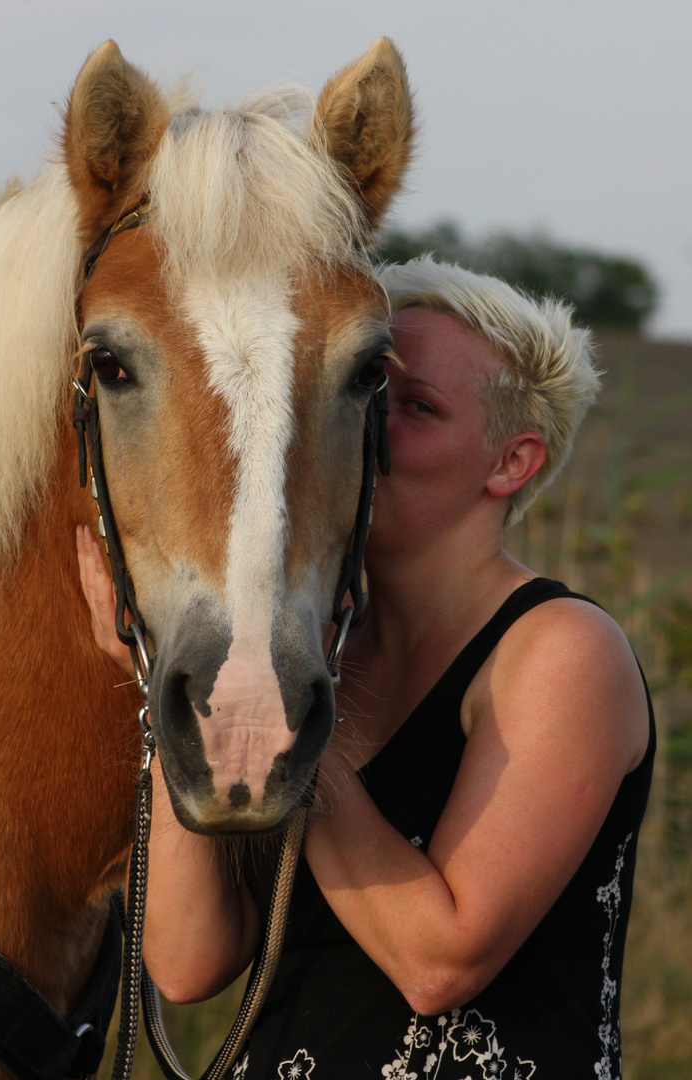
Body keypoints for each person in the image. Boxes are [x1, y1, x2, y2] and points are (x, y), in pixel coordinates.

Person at [76, 256, 653, 1079]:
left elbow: (440, 962)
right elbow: (187, 961)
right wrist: (168, 672)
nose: (365, 430)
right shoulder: (315, 652)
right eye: (361, 392)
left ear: (510, 464)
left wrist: (301, 734)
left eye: (413, 408)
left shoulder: (561, 651)